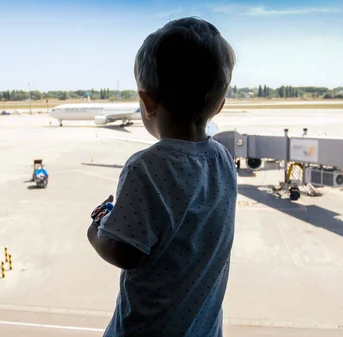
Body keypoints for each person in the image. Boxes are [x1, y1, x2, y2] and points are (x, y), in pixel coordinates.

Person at [87, 17, 237, 337]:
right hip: (204, 328)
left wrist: (97, 232)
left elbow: (126, 252)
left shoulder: (146, 167)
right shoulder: (222, 159)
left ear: (147, 102)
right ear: (220, 105)